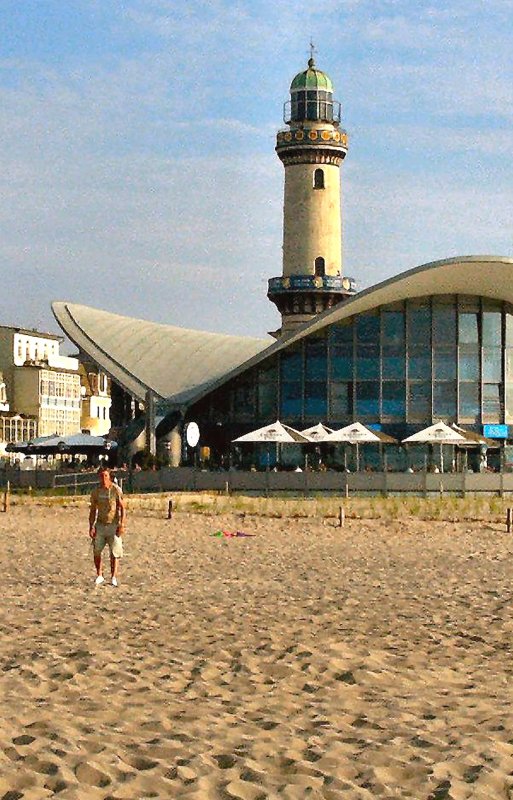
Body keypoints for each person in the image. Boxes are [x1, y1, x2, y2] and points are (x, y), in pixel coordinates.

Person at [89, 466, 126, 587]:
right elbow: (93, 509)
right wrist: (91, 526)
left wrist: (122, 524)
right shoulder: (96, 492)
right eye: (101, 476)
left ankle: (113, 576)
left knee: (114, 552)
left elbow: (122, 508)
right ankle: (99, 575)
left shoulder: (115, 490)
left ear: (109, 477)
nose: (103, 478)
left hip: (113, 524)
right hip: (100, 524)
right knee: (97, 550)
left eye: (105, 475)